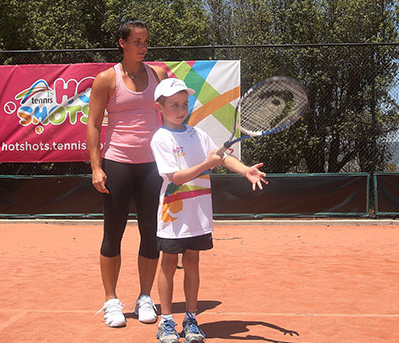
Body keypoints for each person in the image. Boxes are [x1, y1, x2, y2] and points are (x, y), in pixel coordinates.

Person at [150, 78, 267, 343]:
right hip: (173, 215)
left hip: (198, 215)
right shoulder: (160, 138)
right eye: (174, 105)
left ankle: (191, 319)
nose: (181, 110)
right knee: (168, 263)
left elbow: (222, 157)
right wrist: (206, 164)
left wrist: (245, 170)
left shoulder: (198, 134)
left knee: (192, 262)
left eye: (184, 104)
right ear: (160, 107)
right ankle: (166, 322)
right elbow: (176, 177)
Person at [87, 18, 167, 328]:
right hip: (117, 164)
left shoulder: (158, 75)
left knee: (151, 234)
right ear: (122, 43)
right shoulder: (106, 80)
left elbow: (175, 111)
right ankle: (111, 300)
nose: (143, 47)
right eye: (137, 41)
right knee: (113, 235)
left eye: (146, 42)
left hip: (152, 167)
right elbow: (93, 125)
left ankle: (145, 297)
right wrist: (96, 167)